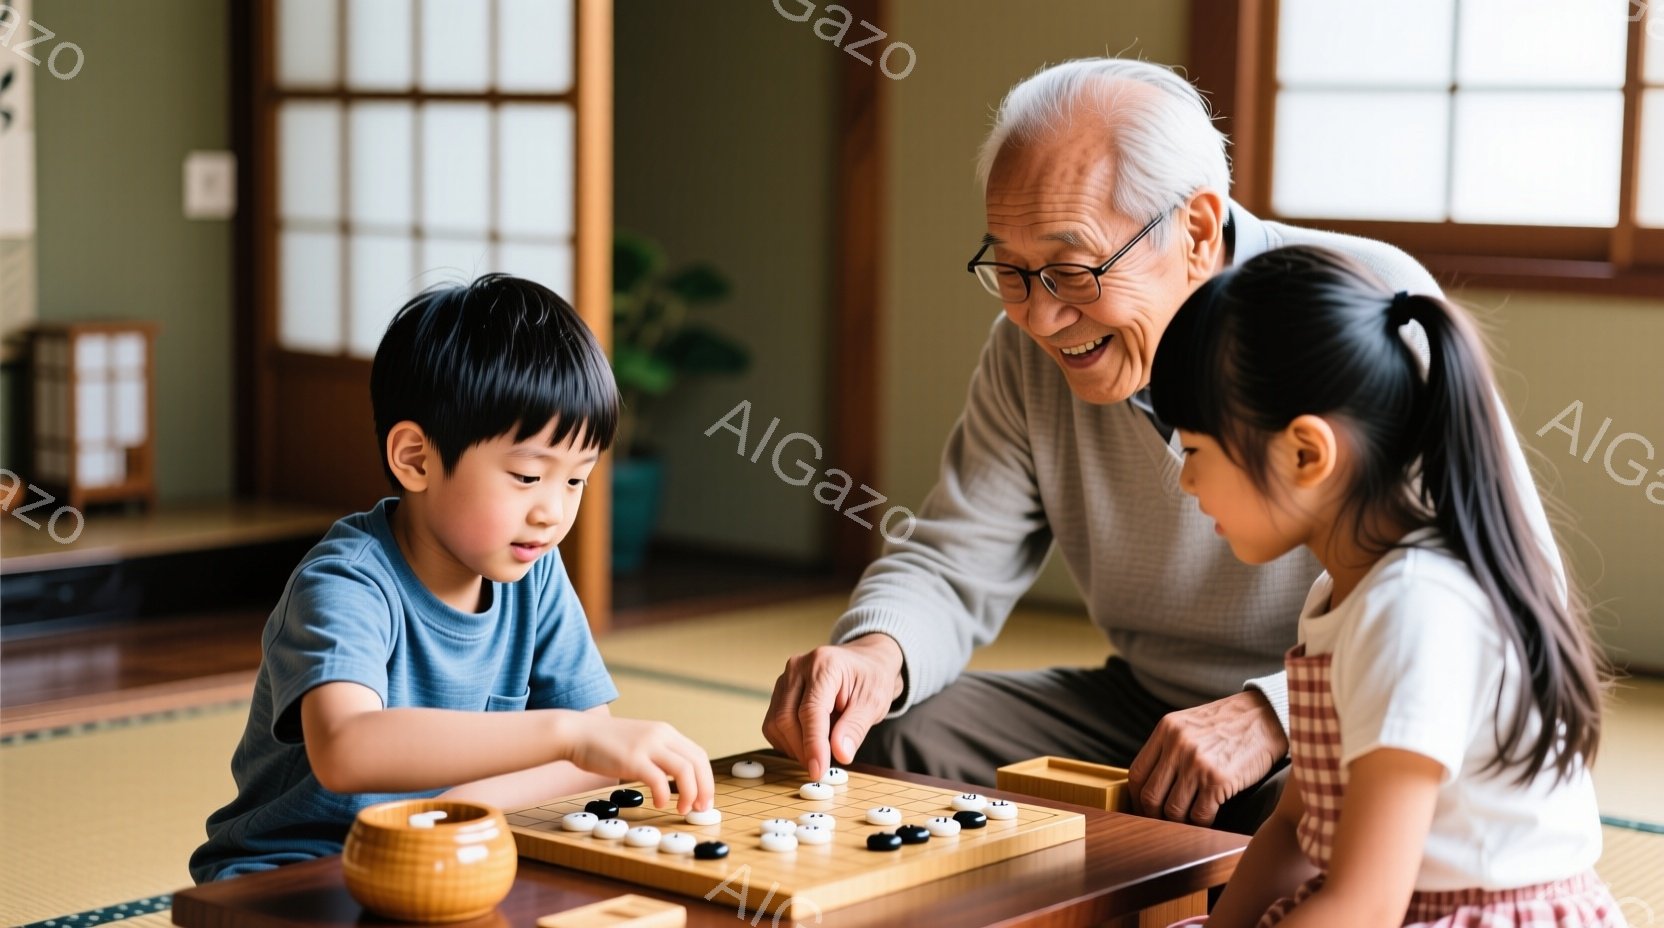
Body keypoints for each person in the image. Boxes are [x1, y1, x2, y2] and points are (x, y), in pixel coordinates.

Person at [762, 56, 1561, 834]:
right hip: (1144, 712)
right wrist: (875, 655)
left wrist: (1278, 714)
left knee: (1340, 820)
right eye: (1011, 270)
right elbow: (953, 558)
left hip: (1339, 713)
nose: (1039, 318)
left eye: (1072, 270)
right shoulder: (1025, 351)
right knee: (890, 740)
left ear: (1197, 227)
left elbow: (1503, 597)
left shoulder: (1360, 311)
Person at [1150, 245, 1621, 927]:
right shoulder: (1344, 594)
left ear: (1306, 453)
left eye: (1195, 452)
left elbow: (1365, 904)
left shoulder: (1413, 609)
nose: (1186, 482)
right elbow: (1293, 832)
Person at [190, 275, 715, 883]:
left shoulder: (534, 572)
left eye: (576, 480)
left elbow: (596, 760)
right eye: (526, 476)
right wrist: (565, 735)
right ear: (416, 458)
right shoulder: (347, 581)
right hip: (299, 872)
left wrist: (458, 809)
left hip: (447, 856)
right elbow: (346, 748)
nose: (553, 511)